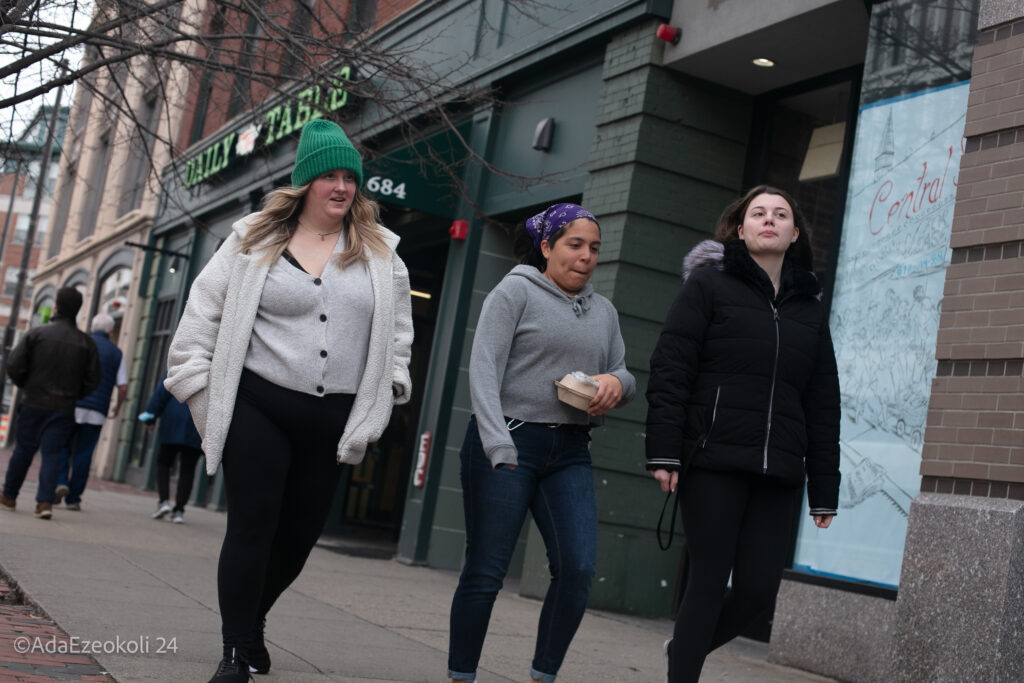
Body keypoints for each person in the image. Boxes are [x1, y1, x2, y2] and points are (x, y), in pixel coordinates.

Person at [165, 118, 413, 683]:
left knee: (299, 536)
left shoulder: (380, 252)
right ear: (305, 182)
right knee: (253, 523)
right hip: (259, 405)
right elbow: (203, 313)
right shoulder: (253, 239)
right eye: (330, 175)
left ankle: (252, 622)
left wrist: (391, 386)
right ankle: (233, 652)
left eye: (351, 177)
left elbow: (398, 331)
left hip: (332, 418)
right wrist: (197, 387)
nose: (343, 187)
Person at [644, 185, 841, 682]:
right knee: (708, 581)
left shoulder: (809, 310)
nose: (769, 220)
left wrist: (824, 489)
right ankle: (684, 672)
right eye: (758, 213)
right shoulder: (708, 287)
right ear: (740, 228)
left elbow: (822, 401)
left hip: (780, 470)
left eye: (781, 214)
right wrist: (665, 451)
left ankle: (684, 650)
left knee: (757, 591)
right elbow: (672, 370)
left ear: (795, 233)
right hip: (712, 460)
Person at [447, 203, 636, 683]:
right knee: (486, 572)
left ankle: (542, 675)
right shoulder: (515, 291)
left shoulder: (604, 310)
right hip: (509, 440)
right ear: (547, 246)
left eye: (594, 248)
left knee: (577, 568)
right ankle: (461, 675)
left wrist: (618, 384)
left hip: (569, 449)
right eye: (575, 245)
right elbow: (484, 369)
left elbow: (622, 371)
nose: (586, 256)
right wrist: (497, 445)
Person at [0, 287, 101, 519]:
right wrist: (75, 394)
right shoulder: (85, 342)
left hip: (33, 402)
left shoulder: (37, 334)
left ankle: (9, 496)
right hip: (64, 406)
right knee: (53, 454)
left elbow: (14, 364)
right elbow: (93, 379)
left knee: (23, 450)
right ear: (77, 309)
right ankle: (44, 503)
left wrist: (26, 384)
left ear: (57, 306)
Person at [54, 313, 127, 511]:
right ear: (111, 331)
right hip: (97, 412)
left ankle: (60, 481)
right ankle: (74, 498)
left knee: (63, 446)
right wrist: (116, 408)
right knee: (84, 454)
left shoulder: (80, 344)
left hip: (72, 405)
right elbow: (122, 387)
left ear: (92, 328)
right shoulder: (116, 353)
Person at [138, 372, 203, 524]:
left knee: (163, 463)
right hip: (195, 426)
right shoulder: (207, 371)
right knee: (188, 470)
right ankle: (179, 511)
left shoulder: (176, 368)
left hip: (171, 423)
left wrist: (150, 418)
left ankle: (163, 501)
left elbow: (160, 395)